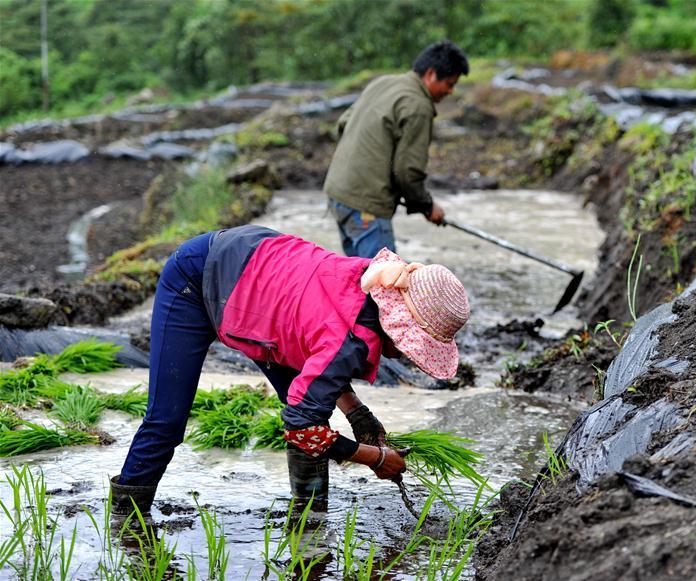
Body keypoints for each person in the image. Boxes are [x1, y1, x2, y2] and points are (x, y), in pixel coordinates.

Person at [110, 225, 470, 515]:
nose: (405, 356)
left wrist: (358, 414)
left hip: (259, 277)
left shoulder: (374, 283)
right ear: (398, 324)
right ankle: (125, 523)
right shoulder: (349, 338)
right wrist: (375, 458)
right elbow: (302, 428)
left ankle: (309, 516)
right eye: (411, 347)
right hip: (200, 277)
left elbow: (318, 357)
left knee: (312, 409)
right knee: (166, 421)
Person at [324, 40, 469, 258]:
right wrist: (427, 206)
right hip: (367, 207)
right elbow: (407, 171)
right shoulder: (418, 105)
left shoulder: (383, 82)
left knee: (357, 278)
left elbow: (343, 124)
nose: (450, 91)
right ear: (430, 74)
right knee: (384, 285)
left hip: (338, 193)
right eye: (449, 83)